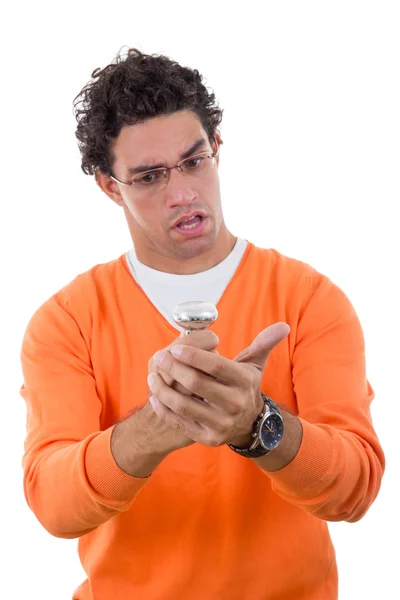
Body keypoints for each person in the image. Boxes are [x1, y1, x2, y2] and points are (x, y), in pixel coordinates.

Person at [19, 47, 385, 600]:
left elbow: (354, 492)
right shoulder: (66, 321)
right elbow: (53, 502)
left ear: (217, 149)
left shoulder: (309, 299)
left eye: (194, 161)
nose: (184, 193)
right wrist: (155, 428)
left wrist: (258, 426)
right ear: (109, 186)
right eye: (149, 176)